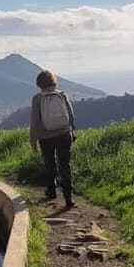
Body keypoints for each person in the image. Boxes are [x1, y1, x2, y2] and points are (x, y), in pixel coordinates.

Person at [30, 70, 76, 209]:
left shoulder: (37, 98)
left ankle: (51, 191)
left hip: (46, 137)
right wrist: (72, 130)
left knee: (50, 164)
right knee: (65, 165)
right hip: (64, 134)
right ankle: (68, 198)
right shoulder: (62, 95)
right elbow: (71, 115)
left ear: (39, 83)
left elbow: (35, 121)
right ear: (53, 81)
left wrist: (33, 140)